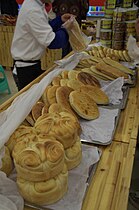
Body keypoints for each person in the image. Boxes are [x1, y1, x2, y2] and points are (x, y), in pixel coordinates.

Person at [11, 0, 74, 90]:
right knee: (30, 101)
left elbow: (45, 27)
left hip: (30, 64)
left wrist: (59, 20)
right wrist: (65, 29)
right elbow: (53, 42)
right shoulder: (33, 10)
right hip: (26, 68)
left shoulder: (35, 4)